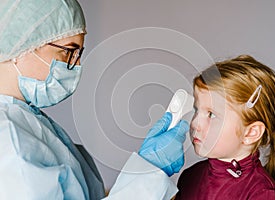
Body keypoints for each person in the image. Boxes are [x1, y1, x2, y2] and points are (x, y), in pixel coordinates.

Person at [0, 1, 189, 199]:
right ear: (22, 45)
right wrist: (150, 171)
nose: (76, 65)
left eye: (78, 54)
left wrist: (147, 172)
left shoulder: (27, 119)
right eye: (67, 52)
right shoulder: (10, 141)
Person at [175, 55, 275, 200]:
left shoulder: (262, 193)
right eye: (197, 110)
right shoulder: (190, 176)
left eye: (211, 115)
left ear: (251, 132)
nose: (195, 123)